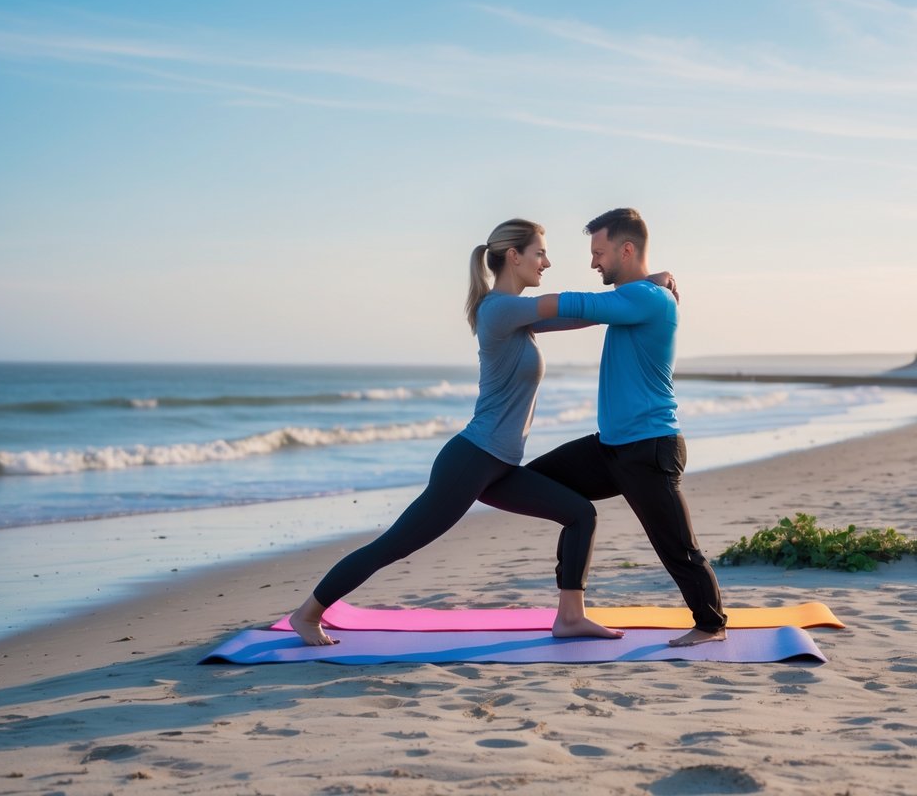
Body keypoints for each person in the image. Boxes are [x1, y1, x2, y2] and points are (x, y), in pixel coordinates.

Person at [290, 218, 672, 647]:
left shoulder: (515, 313)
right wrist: (640, 287)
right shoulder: (501, 309)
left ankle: (569, 617)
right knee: (396, 544)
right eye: (539, 253)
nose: (547, 261)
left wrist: (643, 290)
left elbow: (584, 317)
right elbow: (570, 304)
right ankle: (307, 614)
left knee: (579, 512)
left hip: (500, 467)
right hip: (472, 460)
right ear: (514, 256)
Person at [522, 208, 727, 647]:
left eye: (599, 252)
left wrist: (508, 305)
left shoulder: (648, 300)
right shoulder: (641, 295)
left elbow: (581, 304)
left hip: (650, 446)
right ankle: (571, 613)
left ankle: (711, 623)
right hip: (611, 448)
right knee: (535, 484)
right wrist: (512, 320)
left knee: (676, 546)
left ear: (626, 249)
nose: (594, 261)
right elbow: (573, 316)